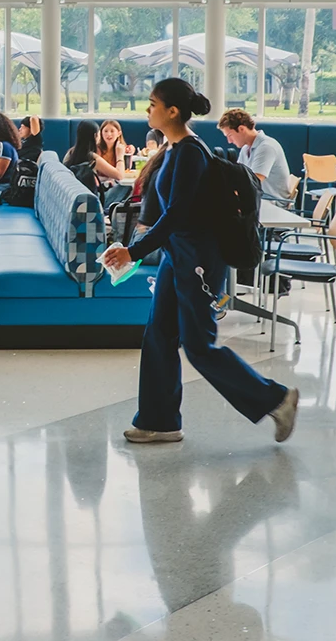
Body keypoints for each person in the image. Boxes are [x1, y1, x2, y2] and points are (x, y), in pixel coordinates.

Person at [101, 78, 299, 446]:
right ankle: (159, 421)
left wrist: (134, 251)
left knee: (199, 344)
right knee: (159, 335)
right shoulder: (173, 148)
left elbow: (177, 213)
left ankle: (277, 399)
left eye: (152, 103)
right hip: (177, 256)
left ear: (172, 111)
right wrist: (137, 246)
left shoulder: (191, 152)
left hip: (198, 260)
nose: (148, 109)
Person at [216, 109, 292, 203]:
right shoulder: (245, 149)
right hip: (258, 201)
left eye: (230, 135)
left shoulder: (266, 147)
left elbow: (253, 183)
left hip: (272, 204)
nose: (229, 141)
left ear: (241, 129)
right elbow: (239, 179)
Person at [65, 120, 130, 194]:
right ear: (95, 136)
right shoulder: (92, 158)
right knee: (126, 187)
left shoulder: (70, 153)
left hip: (74, 194)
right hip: (95, 198)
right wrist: (120, 156)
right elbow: (119, 176)